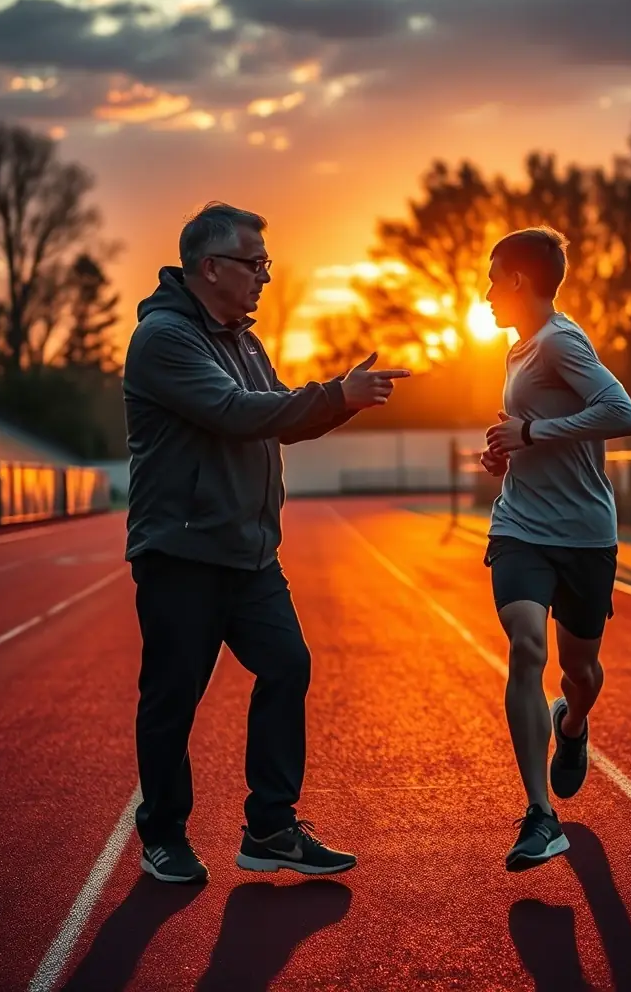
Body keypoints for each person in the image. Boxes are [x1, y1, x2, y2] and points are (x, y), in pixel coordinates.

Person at [123, 201, 411, 883]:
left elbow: (278, 418)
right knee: (172, 701)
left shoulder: (245, 341)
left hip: (250, 555)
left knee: (287, 665)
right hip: (182, 554)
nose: (265, 276)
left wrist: (340, 401)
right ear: (210, 266)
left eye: (267, 264)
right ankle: (162, 832)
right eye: (254, 263)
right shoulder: (165, 338)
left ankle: (271, 828)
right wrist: (333, 391)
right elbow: (235, 413)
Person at [480, 226, 631, 873]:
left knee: (581, 673)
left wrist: (535, 430)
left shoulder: (561, 341)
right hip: (520, 525)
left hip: (583, 535)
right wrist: (506, 448)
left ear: (520, 281)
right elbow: (527, 430)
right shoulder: (519, 351)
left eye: (493, 278)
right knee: (526, 646)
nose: (486, 293)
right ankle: (540, 816)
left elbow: (623, 413)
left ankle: (571, 726)